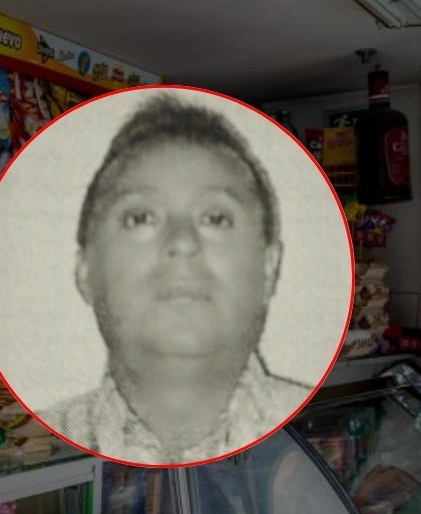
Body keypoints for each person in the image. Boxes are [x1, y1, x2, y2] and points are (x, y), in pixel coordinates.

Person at [38, 94, 312, 465]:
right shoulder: (32, 453)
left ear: (269, 267)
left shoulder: (326, 434)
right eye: (141, 218)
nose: (182, 242)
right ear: (85, 269)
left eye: (215, 218)